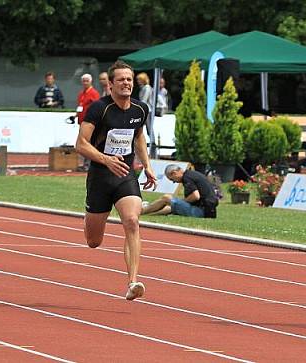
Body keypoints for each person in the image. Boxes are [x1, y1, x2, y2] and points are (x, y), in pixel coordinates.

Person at [75, 60, 157, 301]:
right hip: (100, 177)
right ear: (110, 84)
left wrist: (148, 165)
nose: (126, 83)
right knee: (93, 241)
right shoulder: (99, 109)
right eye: (121, 80)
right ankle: (91, 218)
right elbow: (80, 145)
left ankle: (133, 281)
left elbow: (139, 136)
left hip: (125, 175)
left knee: (132, 220)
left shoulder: (140, 110)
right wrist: (105, 159)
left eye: (129, 79)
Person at [141, 164, 218, 218]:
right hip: (209, 212)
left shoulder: (187, 177)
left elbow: (195, 196)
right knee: (170, 207)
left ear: (174, 173)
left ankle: (141, 212)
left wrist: (183, 201)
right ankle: (148, 214)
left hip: (201, 211)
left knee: (166, 198)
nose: (174, 182)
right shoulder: (192, 174)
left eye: (172, 179)